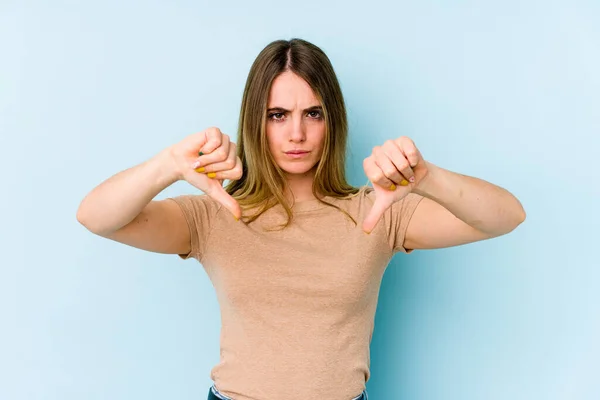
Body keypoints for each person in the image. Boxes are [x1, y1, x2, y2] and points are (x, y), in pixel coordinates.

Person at [76, 38, 526, 400]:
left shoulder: (378, 210)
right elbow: (96, 217)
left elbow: (506, 216)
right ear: (256, 122)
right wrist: (168, 165)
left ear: (333, 120)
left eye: (313, 113)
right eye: (278, 115)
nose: (296, 133)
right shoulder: (215, 215)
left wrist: (426, 176)